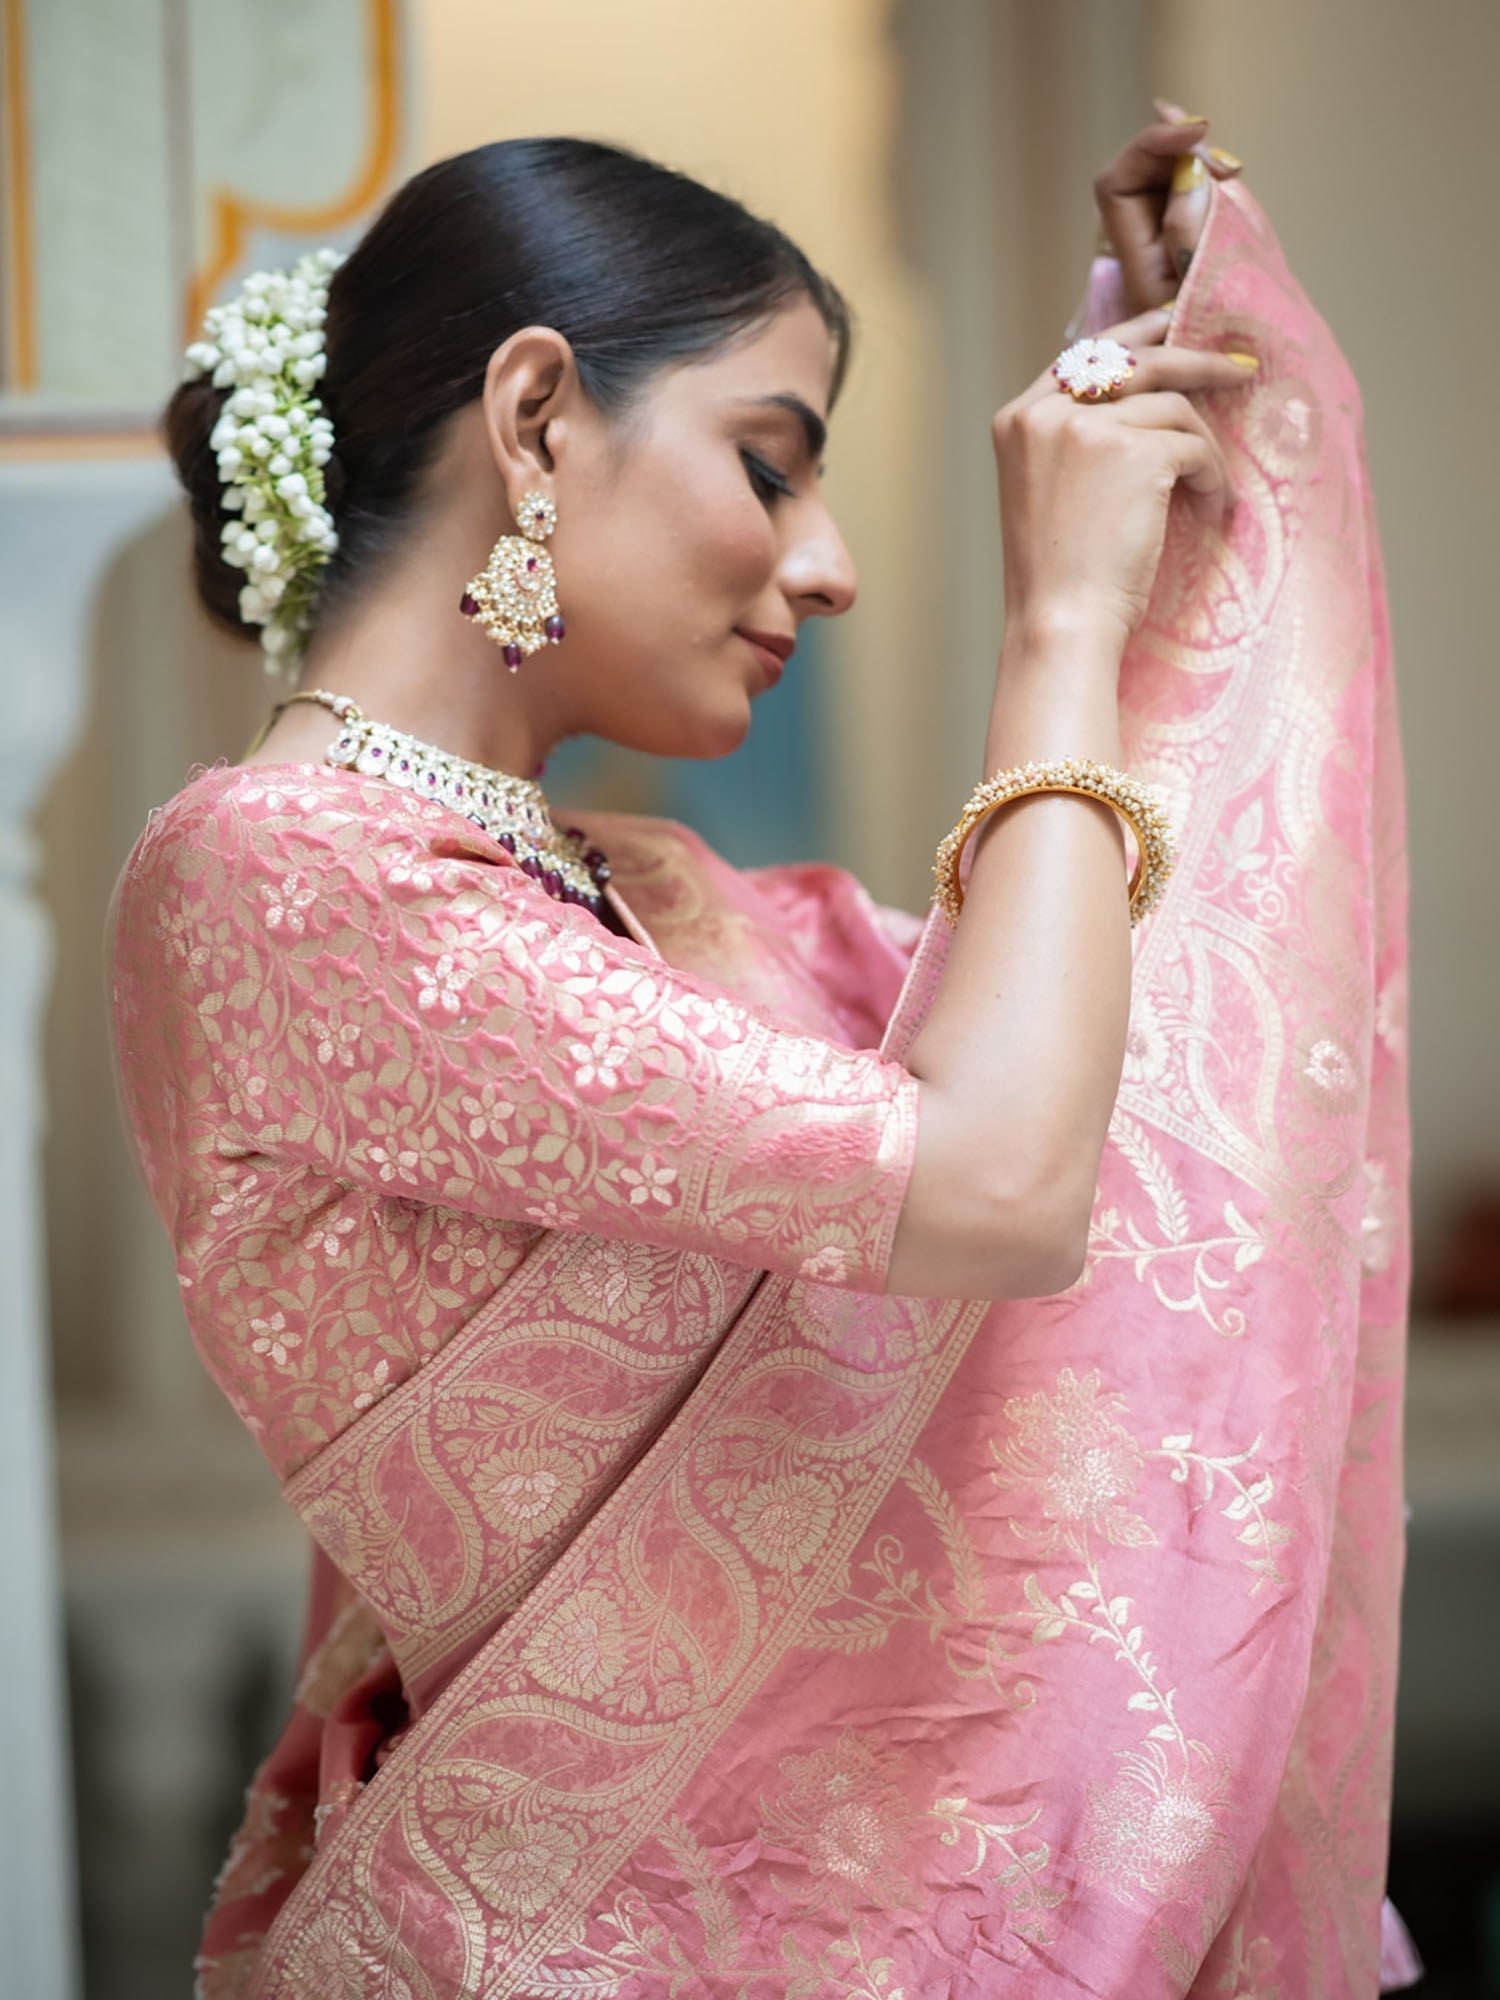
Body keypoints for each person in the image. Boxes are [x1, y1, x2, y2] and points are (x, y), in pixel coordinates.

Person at [109, 114, 1415, 1997]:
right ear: (541, 415)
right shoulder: (282, 880)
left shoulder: (637, 894)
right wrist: (1058, 621)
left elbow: (1123, 1045)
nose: (831, 566)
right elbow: (994, 1184)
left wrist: (1177, 374)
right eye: (769, 465)